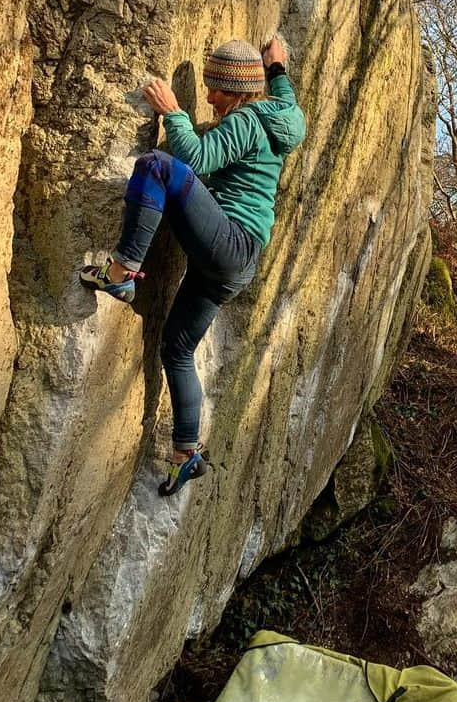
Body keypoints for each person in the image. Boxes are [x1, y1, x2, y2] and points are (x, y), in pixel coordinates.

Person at [80, 36, 305, 496]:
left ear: (235, 91)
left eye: (214, 90)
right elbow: (286, 98)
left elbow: (195, 158)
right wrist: (276, 66)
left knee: (157, 166)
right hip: (238, 263)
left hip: (229, 242)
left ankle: (122, 273)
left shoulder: (244, 122)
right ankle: (187, 453)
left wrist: (173, 112)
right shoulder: (283, 117)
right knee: (177, 350)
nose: (208, 98)